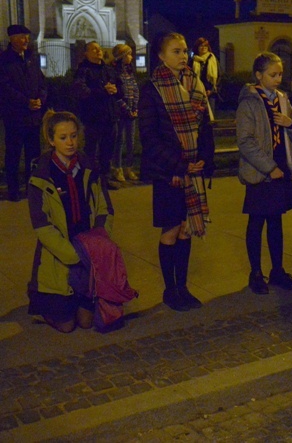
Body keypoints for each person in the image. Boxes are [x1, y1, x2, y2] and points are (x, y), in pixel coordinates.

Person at [139, 32, 215, 312]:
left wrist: (205, 158)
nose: (183, 56)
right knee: (171, 230)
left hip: (193, 171)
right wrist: (180, 165)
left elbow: (205, 125)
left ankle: (183, 287)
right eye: (176, 51)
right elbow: (149, 136)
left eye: (184, 51)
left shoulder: (195, 84)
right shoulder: (152, 89)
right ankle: (170, 290)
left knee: (186, 230)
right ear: (160, 56)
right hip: (169, 172)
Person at [27, 110, 113, 333]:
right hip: (59, 256)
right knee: (67, 326)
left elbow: (105, 209)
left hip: (87, 247)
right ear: (51, 139)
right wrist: (72, 255)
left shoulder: (89, 168)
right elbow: (42, 227)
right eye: (63, 137)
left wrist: (97, 244)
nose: (70, 142)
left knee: (86, 322)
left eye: (73, 136)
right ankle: (45, 306)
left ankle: (81, 298)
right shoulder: (41, 177)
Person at [236, 52, 292, 295]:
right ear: (259, 75)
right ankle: (255, 272)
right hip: (260, 171)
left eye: (280, 74)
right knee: (257, 221)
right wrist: (268, 167)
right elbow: (245, 141)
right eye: (272, 75)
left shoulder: (282, 99)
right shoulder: (250, 102)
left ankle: (277, 270)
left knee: (276, 220)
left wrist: (291, 124)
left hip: (280, 167)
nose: (277, 79)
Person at [0, 24, 47, 201]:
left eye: (27, 36)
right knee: (13, 153)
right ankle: (13, 190)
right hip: (15, 116)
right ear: (12, 39)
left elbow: (42, 83)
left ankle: (32, 187)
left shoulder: (31, 58)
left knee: (33, 154)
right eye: (22, 36)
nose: (26, 40)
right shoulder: (4, 60)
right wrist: (25, 102)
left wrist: (40, 99)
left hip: (33, 116)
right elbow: (5, 88)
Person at [72, 41, 123, 185]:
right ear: (86, 53)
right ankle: (90, 179)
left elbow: (120, 89)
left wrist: (116, 90)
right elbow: (81, 90)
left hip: (110, 116)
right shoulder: (83, 70)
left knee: (107, 150)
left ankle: (104, 178)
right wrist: (102, 91)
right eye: (93, 49)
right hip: (93, 117)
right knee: (91, 150)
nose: (98, 51)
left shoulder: (108, 70)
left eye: (99, 49)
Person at [111, 44, 139, 182]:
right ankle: (117, 168)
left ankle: (129, 168)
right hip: (121, 113)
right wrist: (127, 109)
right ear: (121, 57)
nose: (131, 57)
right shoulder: (115, 73)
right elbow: (116, 96)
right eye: (128, 54)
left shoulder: (130, 71)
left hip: (132, 113)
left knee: (131, 142)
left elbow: (135, 90)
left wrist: (135, 109)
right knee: (119, 141)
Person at [190, 37, 219, 114]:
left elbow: (219, 76)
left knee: (210, 115)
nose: (203, 48)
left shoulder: (212, 59)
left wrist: (211, 90)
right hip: (196, 92)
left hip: (210, 92)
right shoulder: (193, 60)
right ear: (197, 47)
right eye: (201, 46)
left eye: (205, 46)